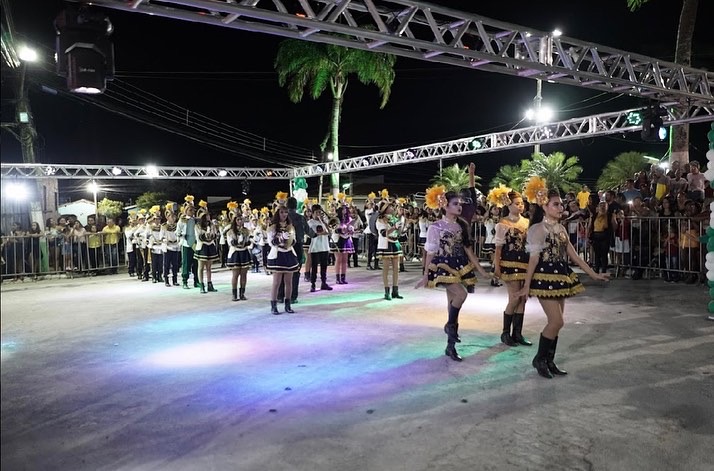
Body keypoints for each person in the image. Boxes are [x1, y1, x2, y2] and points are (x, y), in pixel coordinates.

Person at [516, 178, 609, 379]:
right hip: (544, 278)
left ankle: (549, 361)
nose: (561, 208)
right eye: (556, 204)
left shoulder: (561, 229)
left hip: (560, 277)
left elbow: (575, 257)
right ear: (544, 206)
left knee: (557, 323)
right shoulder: (537, 229)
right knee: (556, 321)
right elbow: (533, 260)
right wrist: (526, 285)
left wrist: (594, 274)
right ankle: (539, 359)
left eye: (561, 204)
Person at [416, 186, 491, 361]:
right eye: (455, 203)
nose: (459, 207)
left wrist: (482, 271)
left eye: (460, 204)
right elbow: (430, 252)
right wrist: (426, 274)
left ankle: (450, 346)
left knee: (452, 306)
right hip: (442, 266)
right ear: (445, 205)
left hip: (459, 265)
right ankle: (450, 326)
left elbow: (468, 250)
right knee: (461, 295)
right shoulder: (435, 227)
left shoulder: (461, 225)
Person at [490, 187, 531, 347]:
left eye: (522, 203)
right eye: (517, 203)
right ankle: (505, 333)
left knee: (523, 298)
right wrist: (497, 267)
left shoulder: (527, 222)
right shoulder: (503, 224)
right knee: (514, 298)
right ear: (509, 205)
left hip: (525, 263)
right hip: (509, 264)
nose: (520, 206)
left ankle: (517, 333)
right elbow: (498, 248)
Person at [267, 204, 300, 314]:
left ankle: (288, 305)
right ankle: (274, 306)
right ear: (278, 213)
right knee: (276, 282)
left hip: (289, 254)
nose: (284, 214)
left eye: (286, 212)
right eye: (281, 212)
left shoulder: (290, 226)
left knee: (289, 282)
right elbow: (271, 243)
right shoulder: (272, 227)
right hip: (278, 254)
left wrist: (290, 240)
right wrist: (281, 238)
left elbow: (294, 240)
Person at [278, 196, 308, 304]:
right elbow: (309, 231)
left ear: (287, 205)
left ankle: (280, 296)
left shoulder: (283, 217)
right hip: (297, 246)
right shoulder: (301, 218)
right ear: (296, 206)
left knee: (282, 271)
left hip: (284, 246)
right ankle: (293, 296)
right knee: (295, 271)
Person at [376, 196, 404, 300]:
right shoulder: (380, 220)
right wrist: (394, 227)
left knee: (396, 268)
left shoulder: (394, 218)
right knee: (386, 269)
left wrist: (401, 225)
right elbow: (384, 233)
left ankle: (395, 291)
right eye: (390, 207)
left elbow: (399, 232)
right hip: (386, 244)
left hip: (395, 243)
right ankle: (386, 291)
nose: (393, 208)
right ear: (385, 209)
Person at [225, 202, 253, 301]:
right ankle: (234, 294)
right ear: (234, 221)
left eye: (241, 219)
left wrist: (247, 242)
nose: (240, 221)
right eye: (238, 219)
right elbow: (230, 243)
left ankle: (242, 294)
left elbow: (249, 240)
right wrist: (237, 242)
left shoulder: (246, 230)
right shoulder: (230, 231)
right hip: (235, 253)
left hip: (244, 252)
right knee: (235, 275)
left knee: (244, 274)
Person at [194, 200, 219, 293]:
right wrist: (206, 235)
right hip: (202, 247)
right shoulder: (197, 226)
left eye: (208, 215)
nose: (208, 217)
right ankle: (201, 285)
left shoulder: (212, 225)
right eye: (206, 215)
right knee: (201, 267)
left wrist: (212, 235)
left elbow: (215, 235)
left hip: (210, 246)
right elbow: (199, 237)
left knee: (209, 267)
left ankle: (209, 284)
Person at [176, 195, 199, 289]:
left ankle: (197, 281)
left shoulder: (196, 220)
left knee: (196, 263)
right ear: (186, 210)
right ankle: (185, 281)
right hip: (186, 244)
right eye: (190, 210)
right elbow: (177, 232)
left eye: (193, 210)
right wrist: (183, 235)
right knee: (186, 263)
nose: (192, 212)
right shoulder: (182, 220)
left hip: (195, 244)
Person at [160, 206, 180, 287]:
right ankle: (166, 280)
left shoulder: (176, 225)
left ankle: (175, 280)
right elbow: (161, 236)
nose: (173, 218)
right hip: (167, 247)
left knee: (175, 264)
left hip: (175, 246)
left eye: (174, 216)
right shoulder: (164, 226)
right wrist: (165, 240)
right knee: (166, 264)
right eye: (171, 217)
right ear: (167, 217)